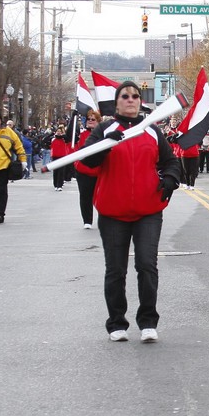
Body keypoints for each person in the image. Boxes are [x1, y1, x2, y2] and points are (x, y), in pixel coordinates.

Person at [79, 81, 182, 343]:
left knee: (147, 265)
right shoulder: (104, 129)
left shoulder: (150, 130)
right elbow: (85, 160)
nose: (131, 100)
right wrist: (104, 144)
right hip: (113, 212)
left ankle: (148, 321)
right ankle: (116, 323)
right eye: (125, 96)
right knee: (116, 269)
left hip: (148, 210)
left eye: (135, 96)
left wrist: (170, 178)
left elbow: (170, 161)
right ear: (117, 102)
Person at [73, 110, 102, 229]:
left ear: (98, 121)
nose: (90, 121)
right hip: (83, 170)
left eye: (93, 119)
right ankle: (87, 220)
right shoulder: (80, 134)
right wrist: (73, 118)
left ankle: (104, 218)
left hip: (99, 171)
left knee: (101, 196)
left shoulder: (103, 134)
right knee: (85, 196)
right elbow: (70, 139)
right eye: (88, 119)